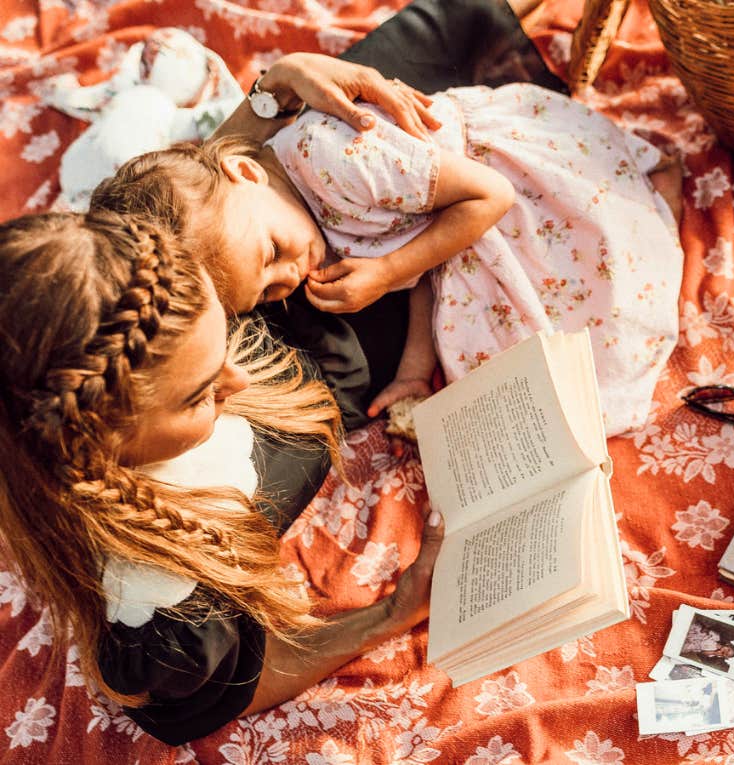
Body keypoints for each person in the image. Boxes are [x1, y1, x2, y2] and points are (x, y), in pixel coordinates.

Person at [0, 211, 446, 745]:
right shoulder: (164, 613)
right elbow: (234, 686)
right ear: (98, 447)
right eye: (198, 394)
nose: (238, 377)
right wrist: (393, 614)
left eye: (225, 335)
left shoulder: (132, 297)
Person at [92, 79, 685, 435]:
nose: (289, 275)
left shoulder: (334, 159)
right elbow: (419, 263)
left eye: (272, 254)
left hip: (500, 186)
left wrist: (387, 272)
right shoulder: (288, 219)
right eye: (269, 291)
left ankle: (659, 199)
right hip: (455, 228)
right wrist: (409, 372)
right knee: (514, 379)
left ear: (247, 171)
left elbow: (491, 196)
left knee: (609, 279)